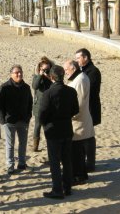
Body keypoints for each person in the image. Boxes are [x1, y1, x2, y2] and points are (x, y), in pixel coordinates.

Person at [39, 65, 79, 199]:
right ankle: (67, 187)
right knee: (67, 160)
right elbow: (75, 110)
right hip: (67, 129)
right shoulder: (71, 91)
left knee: (55, 162)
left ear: (51, 77)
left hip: (53, 131)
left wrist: (46, 124)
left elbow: (42, 115)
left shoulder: (48, 93)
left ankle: (57, 189)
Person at [63, 60, 95, 185]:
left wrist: (70, 116)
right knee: (77, 152)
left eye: (66, 70)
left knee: (76, 152)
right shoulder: (78, 78)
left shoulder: (80, 80)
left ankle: (79, 176)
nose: (65, 72)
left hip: (78, 122)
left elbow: (79, 103)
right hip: (78, 121)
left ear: (73, 68)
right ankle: (79, 174)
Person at [0, 65, 33, 174]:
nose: (19, 74)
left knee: (23, 143)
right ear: (11, 74)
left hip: (23, 120)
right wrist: (3, 120)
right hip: (9, 121)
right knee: (10, 144)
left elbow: (30, 103)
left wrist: (28, 116)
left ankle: (22, 163)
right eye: (16, 72)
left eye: (20, 72)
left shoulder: (26, 87)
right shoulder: (4, 87)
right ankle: (10, 165)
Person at [75, 48, 101, 172]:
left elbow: (90, 91)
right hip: (85, 108)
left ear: (86, 58)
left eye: (78, 58)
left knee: (89, 138)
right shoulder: (82, 71)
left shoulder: (93, 71)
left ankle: (90, 164)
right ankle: (84, 162)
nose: (77, 60)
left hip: (90, 109)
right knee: (85, 137)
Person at [31, 57, 53, 152]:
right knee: (37, 125)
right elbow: (35, 86)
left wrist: (48, 76)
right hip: (39, 105)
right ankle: (35, 146)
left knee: (48, 126)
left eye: (47, 69)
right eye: (44, 69)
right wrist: (40, 75)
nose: (46, 71)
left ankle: (50, 145)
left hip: (49, 105)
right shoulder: (36, 76)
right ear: (40, 68)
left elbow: (56, 84)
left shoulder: (51, 76)